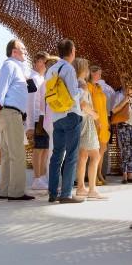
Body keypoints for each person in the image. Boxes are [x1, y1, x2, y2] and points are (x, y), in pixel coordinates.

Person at [0, 39, 34, 200]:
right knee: (17, 154)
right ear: (14, 51)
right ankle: (16, 192)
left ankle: (5, 190)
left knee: (8, 154)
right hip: (11, 114)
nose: (25, 52)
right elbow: (0, 91)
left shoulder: (13, 67)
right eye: (23, 49)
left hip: (8, 114)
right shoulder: (10, 66)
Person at [46, 39, 84, 204]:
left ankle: (53, 193)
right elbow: (73, 93)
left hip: (56, 116)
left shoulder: (50, 70)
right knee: (72, 154)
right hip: (70, 114)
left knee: (56, 155)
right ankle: (66, 194)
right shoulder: (68, 68)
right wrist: (82, 90)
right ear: (72, 51)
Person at [74, 58, 107, 200]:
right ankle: (92, 189)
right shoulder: (82, 84)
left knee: (82, 156)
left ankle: (81, 187)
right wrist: (94, 114)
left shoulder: (75, 82)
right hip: (87, 121)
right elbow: (83, 104)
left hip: (79, 121)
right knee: (95, 155)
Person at [26, 52, 50, 191]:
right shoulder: (31, 79)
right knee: (38, 149)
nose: (46, 66)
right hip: (36, 119)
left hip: (44, 118)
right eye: (45, 62)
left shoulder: (42, 79)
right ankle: (37, 178)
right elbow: (29, 103)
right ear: (38, 62)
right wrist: (30, 125)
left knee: (45, 149)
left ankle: (41, 176)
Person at [112, 79, 132, 184]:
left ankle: (130, 174)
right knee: (125, 150)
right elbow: (114, 110)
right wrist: (125, 100)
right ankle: (124, 174)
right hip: (123, 125)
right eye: (129, 86)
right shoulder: (119, 96)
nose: (131, 89)